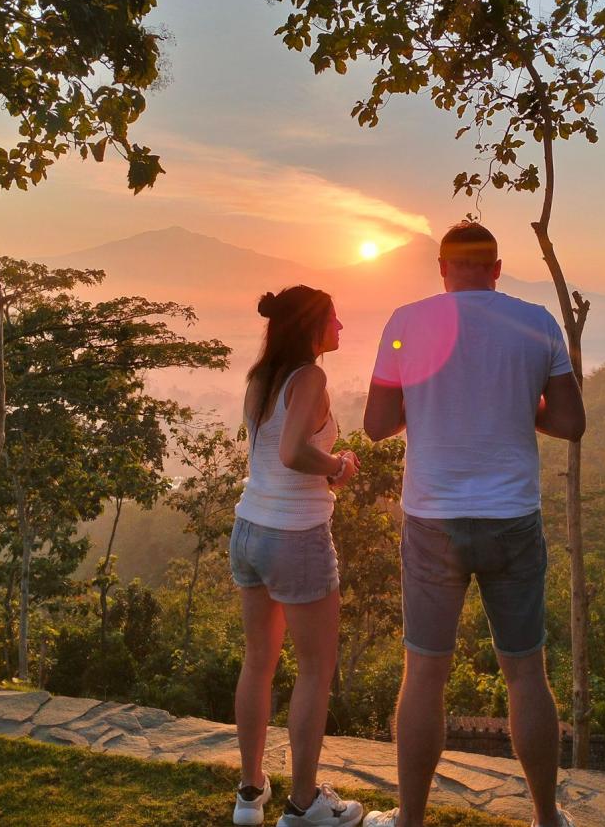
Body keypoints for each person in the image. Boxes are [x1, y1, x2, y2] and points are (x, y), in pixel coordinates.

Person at [361, 222, 585, 827]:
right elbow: (569, 420)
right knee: (526, 672)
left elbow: (377, 424)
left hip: (432, 520)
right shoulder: (535, 323)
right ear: (497, 267)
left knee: (425, 672)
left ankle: (409, 820)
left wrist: (433, 402)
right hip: (511, 516)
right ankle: (545, 818)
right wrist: (516, 404)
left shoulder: (406, 323)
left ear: (441, 268)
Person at [230, 285, 364, 827]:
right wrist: (338, 466)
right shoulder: (310, 377)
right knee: (315, 668)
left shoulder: (260, 377)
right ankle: (304, 804)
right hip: (295, 536)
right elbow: (291, 452)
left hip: (250, 530)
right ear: (313, 325)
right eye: (334, 317)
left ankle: (249, 794)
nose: (341, 326)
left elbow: (265, 452)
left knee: (258, 662)